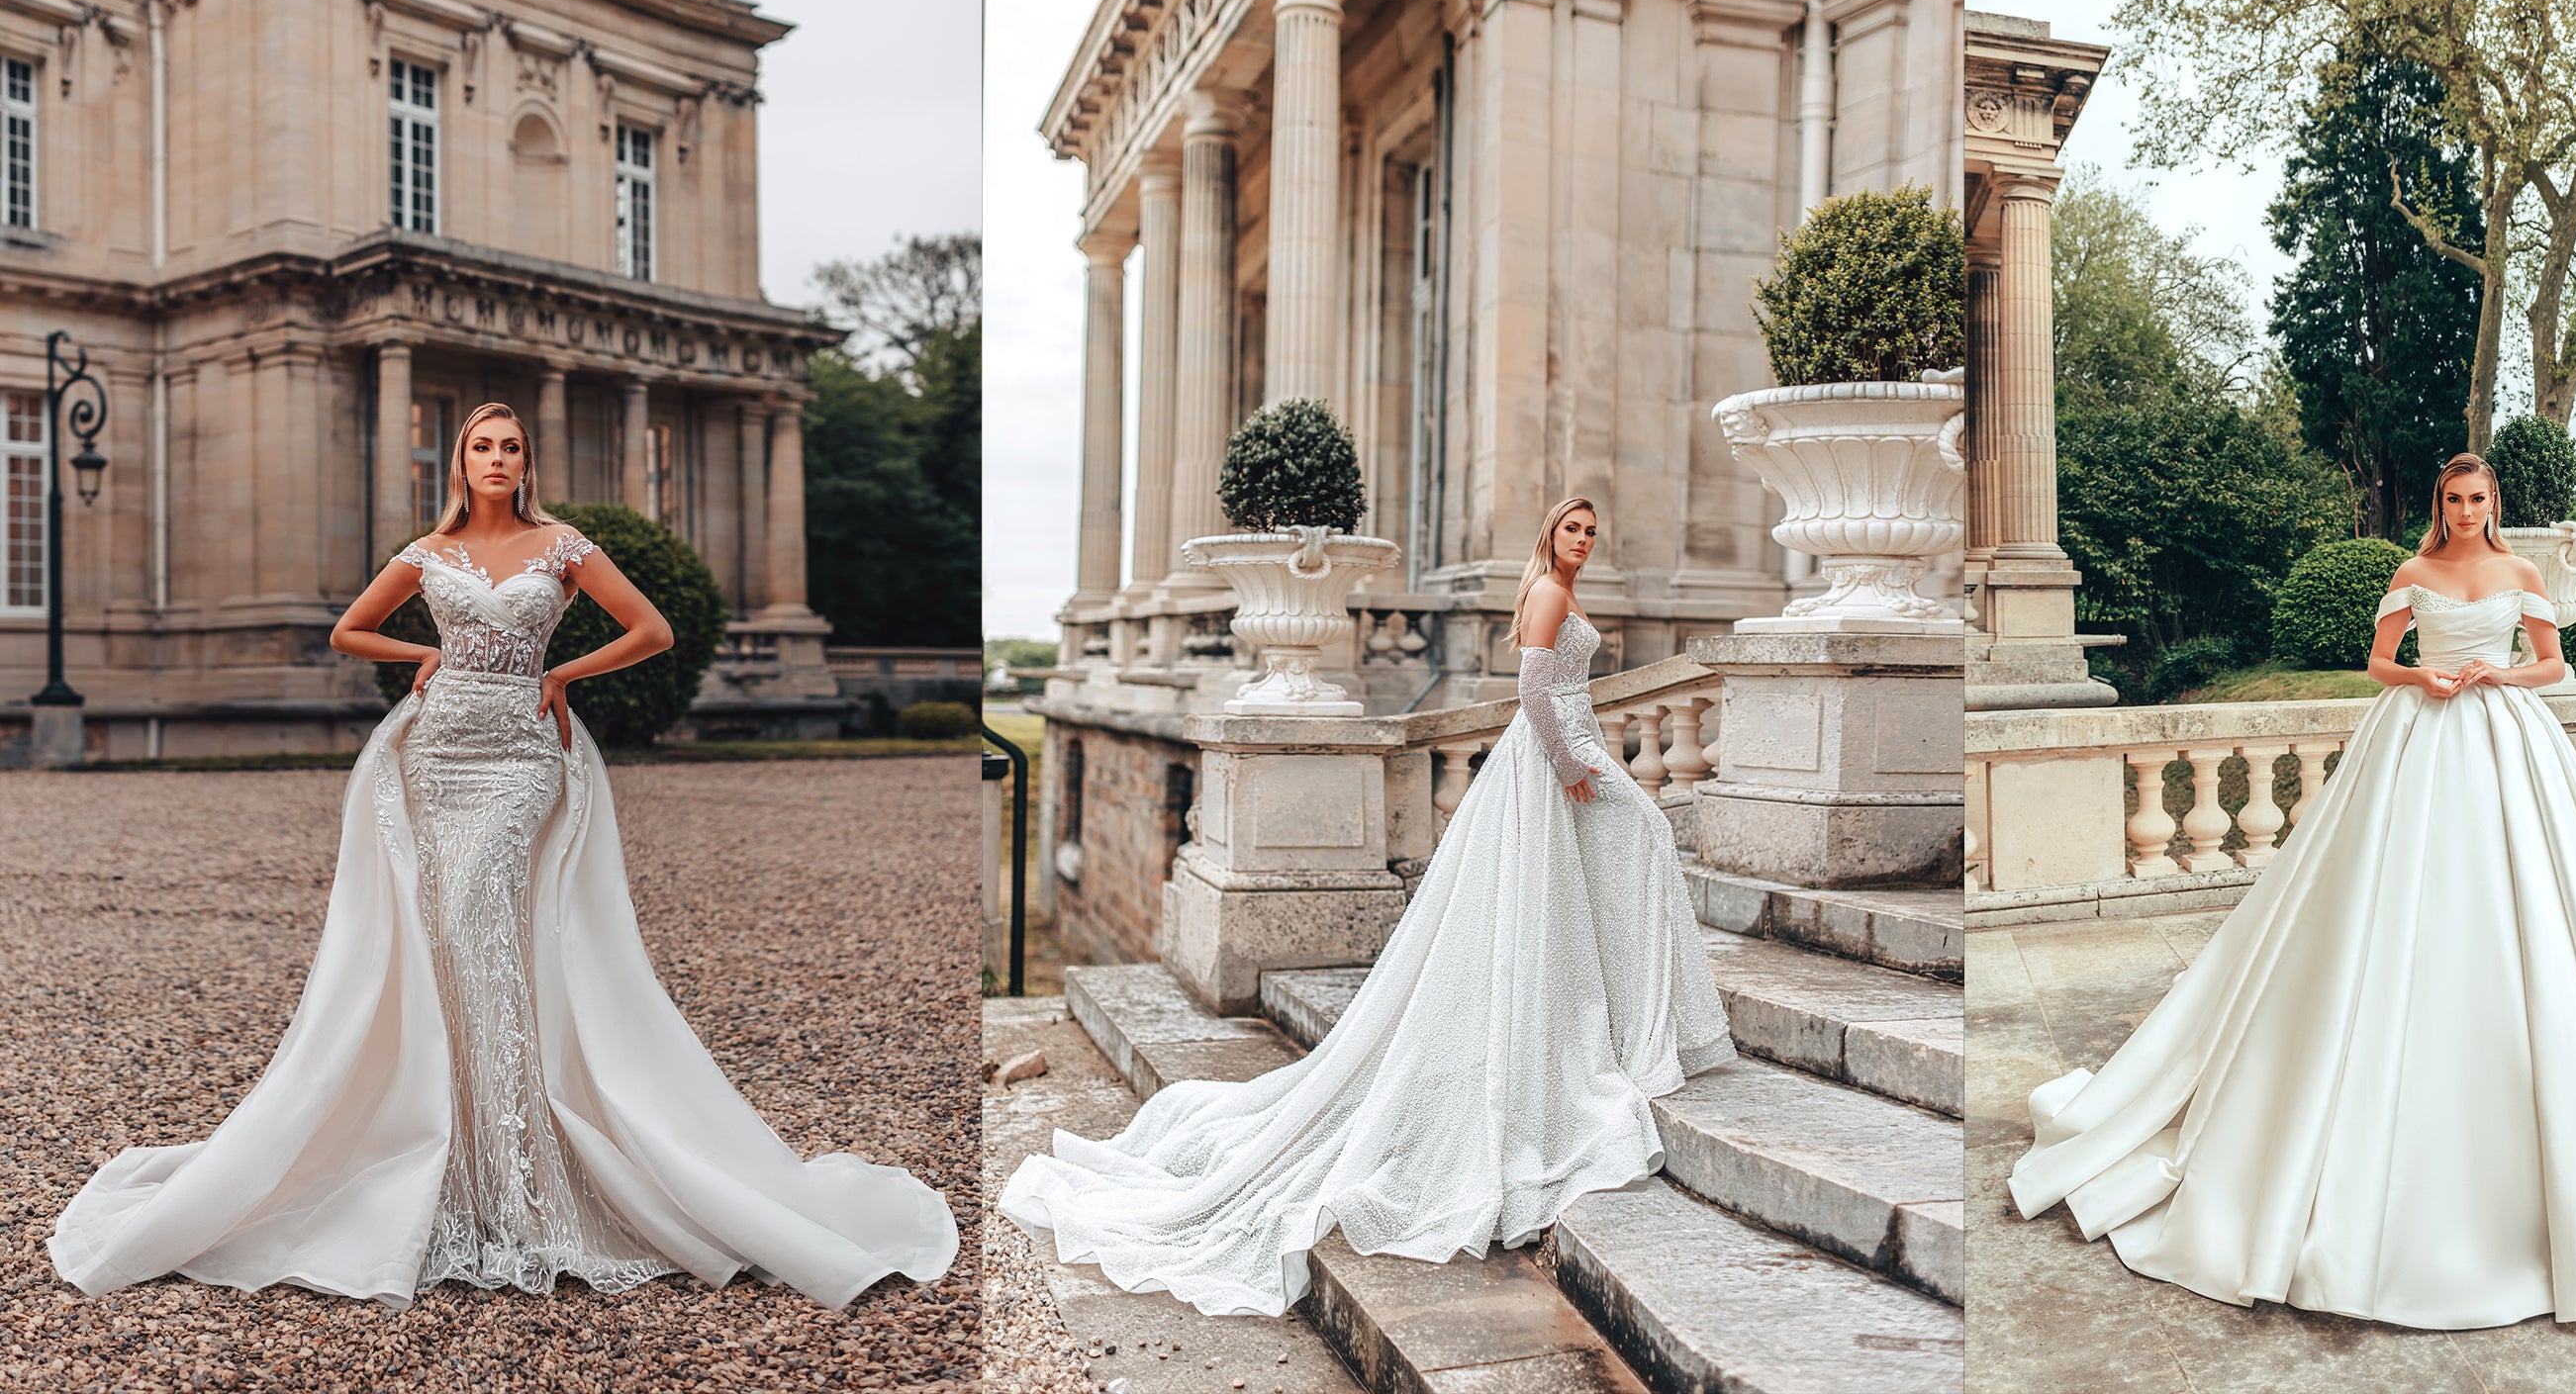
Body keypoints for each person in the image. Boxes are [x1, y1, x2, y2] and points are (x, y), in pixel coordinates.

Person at [48, 403, 957, 1310]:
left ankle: (521, 1182)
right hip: (438, 751)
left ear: (528, 462)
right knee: (445, 936)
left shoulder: (562, 545)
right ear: (460, 461)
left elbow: (651, 630)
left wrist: (562, 675)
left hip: (523, 753)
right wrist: (422, 655)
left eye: (510, 447)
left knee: (477, 915)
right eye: (481, 446)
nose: (496, 458)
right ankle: (454, 1166)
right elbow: (346, 631)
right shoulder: (424, 552)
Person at [2006, 452, 2576, 1330]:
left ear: (2492, 504)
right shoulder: (2410, 569)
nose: (2466, 513)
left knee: (2536, 897)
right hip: (2415, 733)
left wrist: (2499, 673)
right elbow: (2376, 664)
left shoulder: (2524, 576)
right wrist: (2421, 676)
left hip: (2505, 735)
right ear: (2439, 507)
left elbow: (2555, 668)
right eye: (2454, 501)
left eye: (2478, 500)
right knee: (2381, 897)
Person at [997, 496, 1735, 1316]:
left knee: (1608, 864)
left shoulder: (1553, 588)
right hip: (1556, 752)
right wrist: (1569, 764)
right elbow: (1534, 692)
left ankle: (1612, 1010)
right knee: (1640, 840)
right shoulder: (1548, 594)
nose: (1585, 541)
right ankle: (1605, 1018)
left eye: (1592, 531)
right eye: (1573, 529)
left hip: (1572, 743)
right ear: (1549, 534)